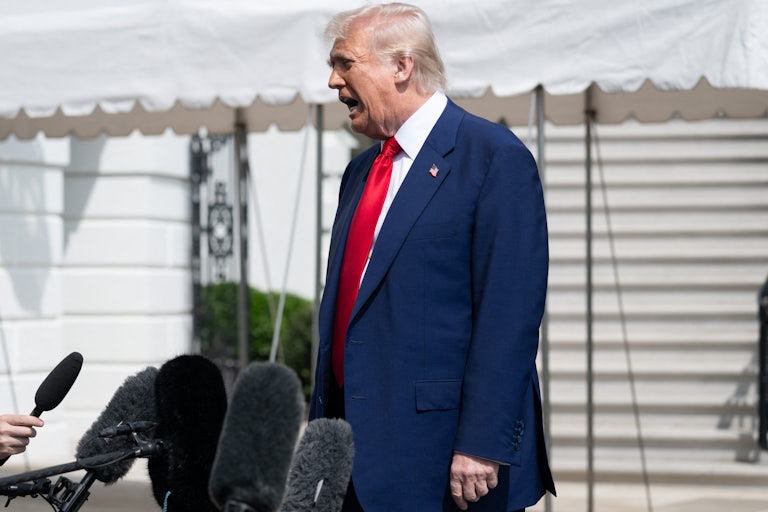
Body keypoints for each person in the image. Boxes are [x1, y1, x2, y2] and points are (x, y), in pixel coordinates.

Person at [308, 3, 556, 511]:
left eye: (345, 63)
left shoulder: (492, 157)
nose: (333, 81)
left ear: (402, 66)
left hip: (448, 464)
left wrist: (481, 444)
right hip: (354, 455)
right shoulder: (360, 173)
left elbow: (509, 316)